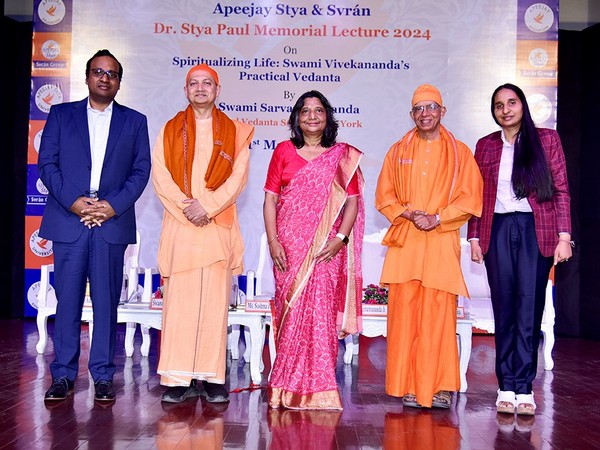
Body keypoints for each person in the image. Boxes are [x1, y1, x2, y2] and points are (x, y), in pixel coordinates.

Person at [39, 49, 151, 402]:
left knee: (106, 304)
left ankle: (102, 375)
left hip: (110, 223)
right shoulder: (60, 115)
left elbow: (140, 171)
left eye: (112, 73)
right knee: (68, 302)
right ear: (87, 77)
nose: (105, 78)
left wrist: (110, 207)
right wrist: (75, 203)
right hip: (68, 218)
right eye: (98, 71)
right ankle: (63, 375)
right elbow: (48, 165)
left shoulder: (135, 121)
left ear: (119, 82)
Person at [375, 84, 483, 409]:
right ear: (412, 115)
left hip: (439, 243)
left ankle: (438, 387)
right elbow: (384, 196)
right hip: (406, 243)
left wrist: (438, 218)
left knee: (438, 318)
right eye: (419, 109)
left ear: (442, 112)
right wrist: (408, 213)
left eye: (431, 107)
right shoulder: (398, 150)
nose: (425, 114)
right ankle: (408, 385)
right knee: (404, 317)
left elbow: (471, 198)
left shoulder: (460, 152)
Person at [152, 64, 254, 404]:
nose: (200, 88)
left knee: (214, 306)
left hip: (215, 226)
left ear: (217, 89)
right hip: (182, 227)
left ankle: (212, 378)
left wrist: (206, 207)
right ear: (185, 90)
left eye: (206, 83)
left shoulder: (235, 132)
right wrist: (187, 207)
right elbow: (161, 177)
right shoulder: (168, 130)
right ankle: (178, 378)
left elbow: (237, 178)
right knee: (179, 305)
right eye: (193, 83)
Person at [467, 83, 572, 416]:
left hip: (534, 229)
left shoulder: (546, 140)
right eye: (499, 105)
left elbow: (561, 191)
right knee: (504, 308)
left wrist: (564, 236)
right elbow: (475, 195)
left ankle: (524, 387)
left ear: (523, 106)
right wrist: (473, 237)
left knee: (529, 306)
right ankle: (505, 385)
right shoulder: (485, 146)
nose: (506, 110)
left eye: (512, 103)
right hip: (497, 229)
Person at [264, 90, 365, 410]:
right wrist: (273, 241)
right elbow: (270, 199)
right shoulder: (282, 151)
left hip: (326, 249)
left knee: (320, 316)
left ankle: (321, 390)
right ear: (296, 118)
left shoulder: (342, 157)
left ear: (327, 117)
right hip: (288, 248)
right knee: (290, 313)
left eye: (318, 111)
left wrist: (341, 239)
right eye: (305, 111)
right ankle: (284, 387)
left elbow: (352, 202)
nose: (311, 116)